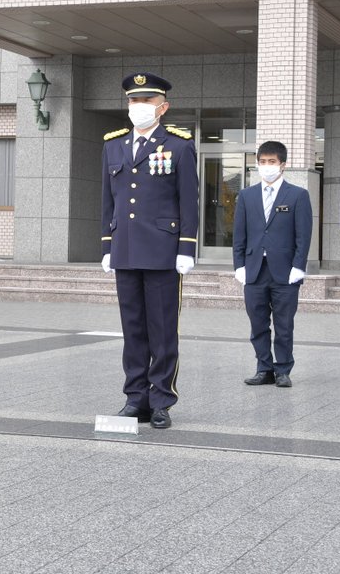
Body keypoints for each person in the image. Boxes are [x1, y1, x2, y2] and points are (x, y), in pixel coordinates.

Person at [101, 72, 199, 430]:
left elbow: (189, 201)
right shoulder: (113, 146)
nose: (138, 106)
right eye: (133, 100)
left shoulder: (179, 145)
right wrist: (107, 244)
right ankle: (135, 398)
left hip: (162, 250)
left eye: (146, 101)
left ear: (163, 107)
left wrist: (186, 247)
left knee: (162, 331)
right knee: (133, 331)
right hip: (125, 249)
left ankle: (161, 400)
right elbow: (108, 201)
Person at [232, 141, 313, 388]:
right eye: (262, 162)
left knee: (283, 324)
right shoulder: (246, 196)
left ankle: (283, 370)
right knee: (258, 323)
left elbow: (303, 235)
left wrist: (299, 266)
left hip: (285, 272)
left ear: (282, 165)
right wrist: (239, 266)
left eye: (272, 162)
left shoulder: (298, 195)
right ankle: (263, 368)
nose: (267, 166)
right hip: (254, 270)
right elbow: (239, 234)